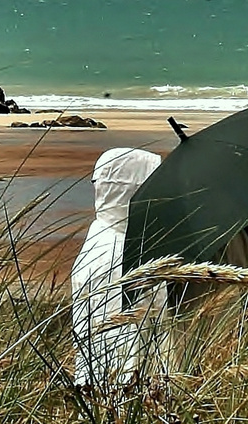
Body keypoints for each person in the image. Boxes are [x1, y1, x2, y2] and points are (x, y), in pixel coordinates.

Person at [70, 148, 166, 391]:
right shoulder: (121, 252)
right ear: (133, 192)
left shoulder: (102, 234)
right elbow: (142, 326)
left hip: (100, 381)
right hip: (124, 389)